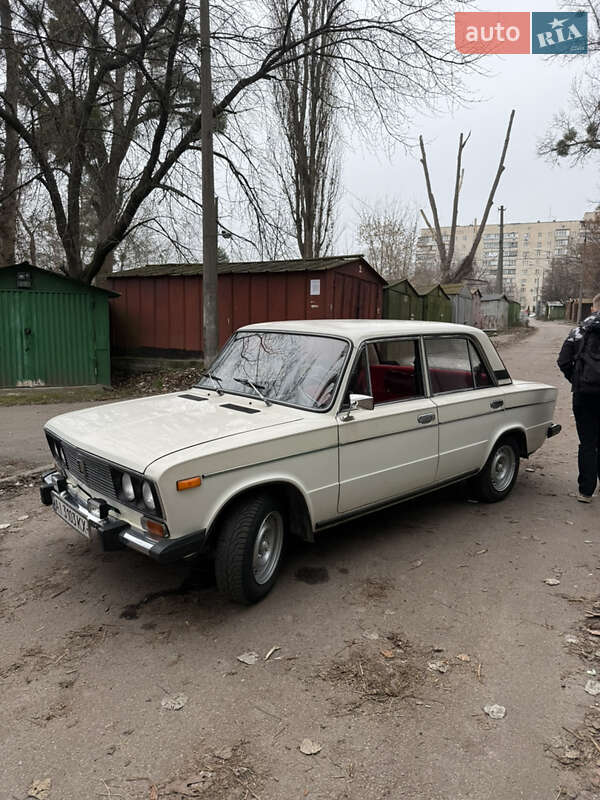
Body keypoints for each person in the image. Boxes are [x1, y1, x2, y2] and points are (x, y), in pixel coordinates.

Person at [558, 294, 600, 502]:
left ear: (593, 308)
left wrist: (576, 381)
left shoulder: (578, 331)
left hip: (583, 394)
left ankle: (586, 491)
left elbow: (563, 361)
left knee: (587, 442)